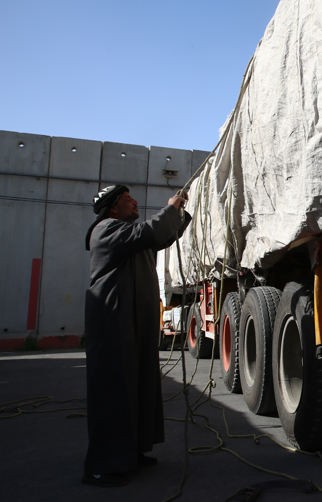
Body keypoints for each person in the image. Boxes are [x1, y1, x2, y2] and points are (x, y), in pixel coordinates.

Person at [82, 185, 192, 487]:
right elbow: (149, 232)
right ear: (112, 208)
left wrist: (180, 211)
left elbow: (161, 235)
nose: (135, 203)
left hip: (133, 323)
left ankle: (130, 451)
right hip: (112, 322)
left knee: (139, 385)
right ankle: (101, 466)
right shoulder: (106, 230)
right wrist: (170, 208)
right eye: (128, 200)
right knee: (113, 392)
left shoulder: (129, 234)